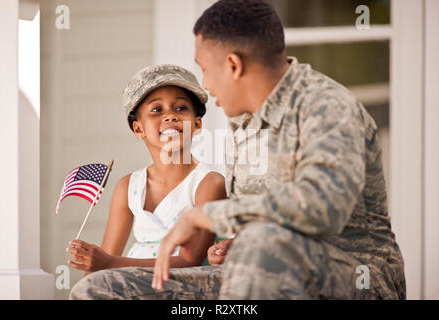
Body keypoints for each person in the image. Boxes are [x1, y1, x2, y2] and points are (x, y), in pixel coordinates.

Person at [70, 0, 406, 300]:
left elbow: (321, 208)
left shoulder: (326, 107)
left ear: (233, 65)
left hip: (357, 278)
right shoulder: (246, 122)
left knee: (262, 253)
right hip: (258, 269)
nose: (205, 85)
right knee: (100, 289)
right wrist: (231, 246)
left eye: (204, 69)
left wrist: (207, 215)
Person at [66, 64, 226, 276]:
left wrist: (110, 263)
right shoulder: (129, 187)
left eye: (181, 108)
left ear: (197, 124)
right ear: (138, 129)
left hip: (186, 286)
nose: (170, 116)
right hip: (131, 282)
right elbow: (104, 261)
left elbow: (191, 260)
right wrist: (92, 274)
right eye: (156, 110)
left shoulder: (208, 183)